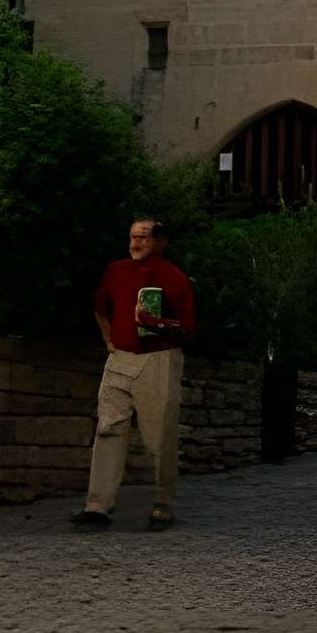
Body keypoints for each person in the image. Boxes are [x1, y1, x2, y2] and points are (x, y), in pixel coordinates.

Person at [71, 215, 197, 533]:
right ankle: (97, 507)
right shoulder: (116, 270)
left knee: (159, 437)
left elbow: (189, 329)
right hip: (120, 359)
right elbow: (100, 306)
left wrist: (165, 326)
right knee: (108, 428)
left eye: (143, 237)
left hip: (159, 359)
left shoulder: (175, 278)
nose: (135, 243)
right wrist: (108, 339)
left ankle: (162, 506)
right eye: (132, 237)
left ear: (159, 242)